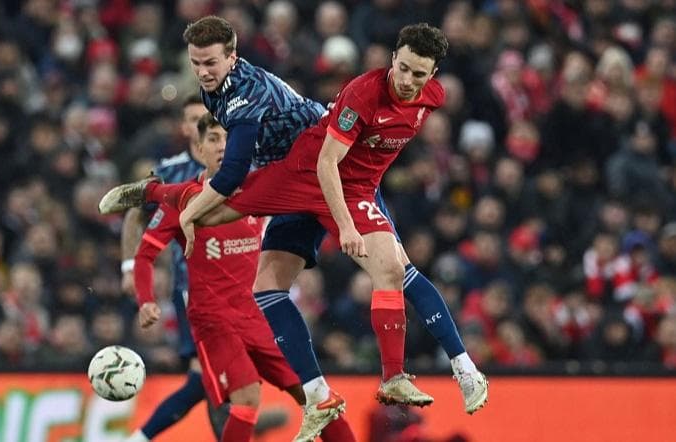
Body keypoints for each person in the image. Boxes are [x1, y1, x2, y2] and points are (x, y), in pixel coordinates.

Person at [99, 17, 487, 439]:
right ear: (393, 59)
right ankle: (152, 191)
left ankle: (452, 369)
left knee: (394, 268)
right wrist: (152, 265)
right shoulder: (346, 94)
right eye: (196, 63)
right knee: (258, 280)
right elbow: (266, 171)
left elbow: (255, 169)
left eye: (419, 73)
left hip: (339, 181)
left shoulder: (430, 97)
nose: (409, 80)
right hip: (301, 173)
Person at [130, 113, 356, 442]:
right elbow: (145, 255)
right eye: (213, 139)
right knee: (248, 398)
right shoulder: (183, 200)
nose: (222, 146)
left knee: (316, 396)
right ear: (199, 148)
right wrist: (146, 300)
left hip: (260, 317)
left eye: (228, 139)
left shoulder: (257, 188)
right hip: (214, 321)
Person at [122, 95, 229, 441]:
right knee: (211, 378)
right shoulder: (170, 173)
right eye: (195, 120)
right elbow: (134, 216)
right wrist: (130, 268)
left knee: (219, 381)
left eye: (208, 120)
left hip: (241, 291)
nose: (202, 127)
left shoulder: (241, 167)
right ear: (185, 128)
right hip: (195, 293)